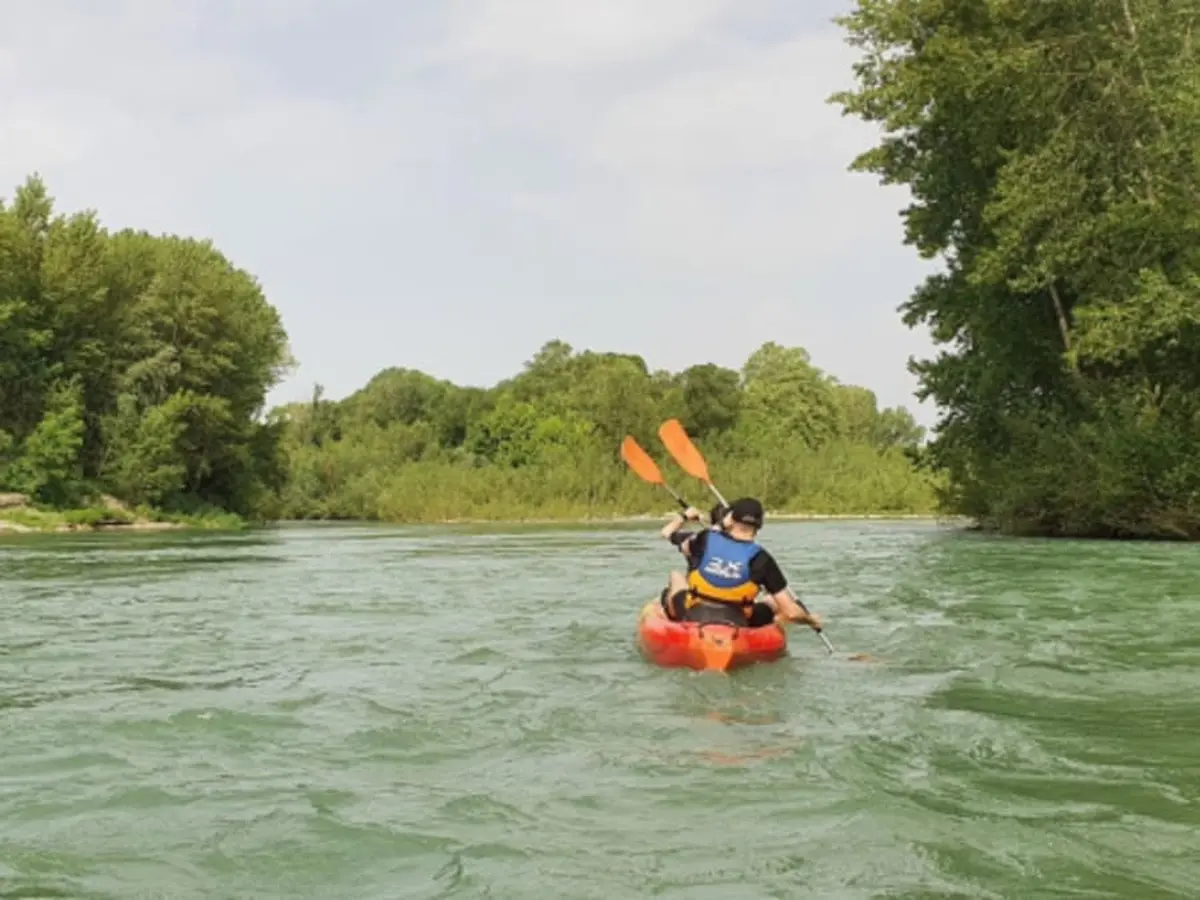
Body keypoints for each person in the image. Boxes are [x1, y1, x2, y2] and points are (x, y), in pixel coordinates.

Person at [659, 497, 820, 630]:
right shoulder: (762, 559)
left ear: (731, 519)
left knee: (676, 576)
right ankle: (776, 624)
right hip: (737, 621)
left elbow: (671, 534)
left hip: (693, 614)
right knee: (772, 601)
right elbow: (791, 612)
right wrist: (810, 620)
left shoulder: (705, 538)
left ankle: (668, 613)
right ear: (759, 525)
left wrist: (686, 517)